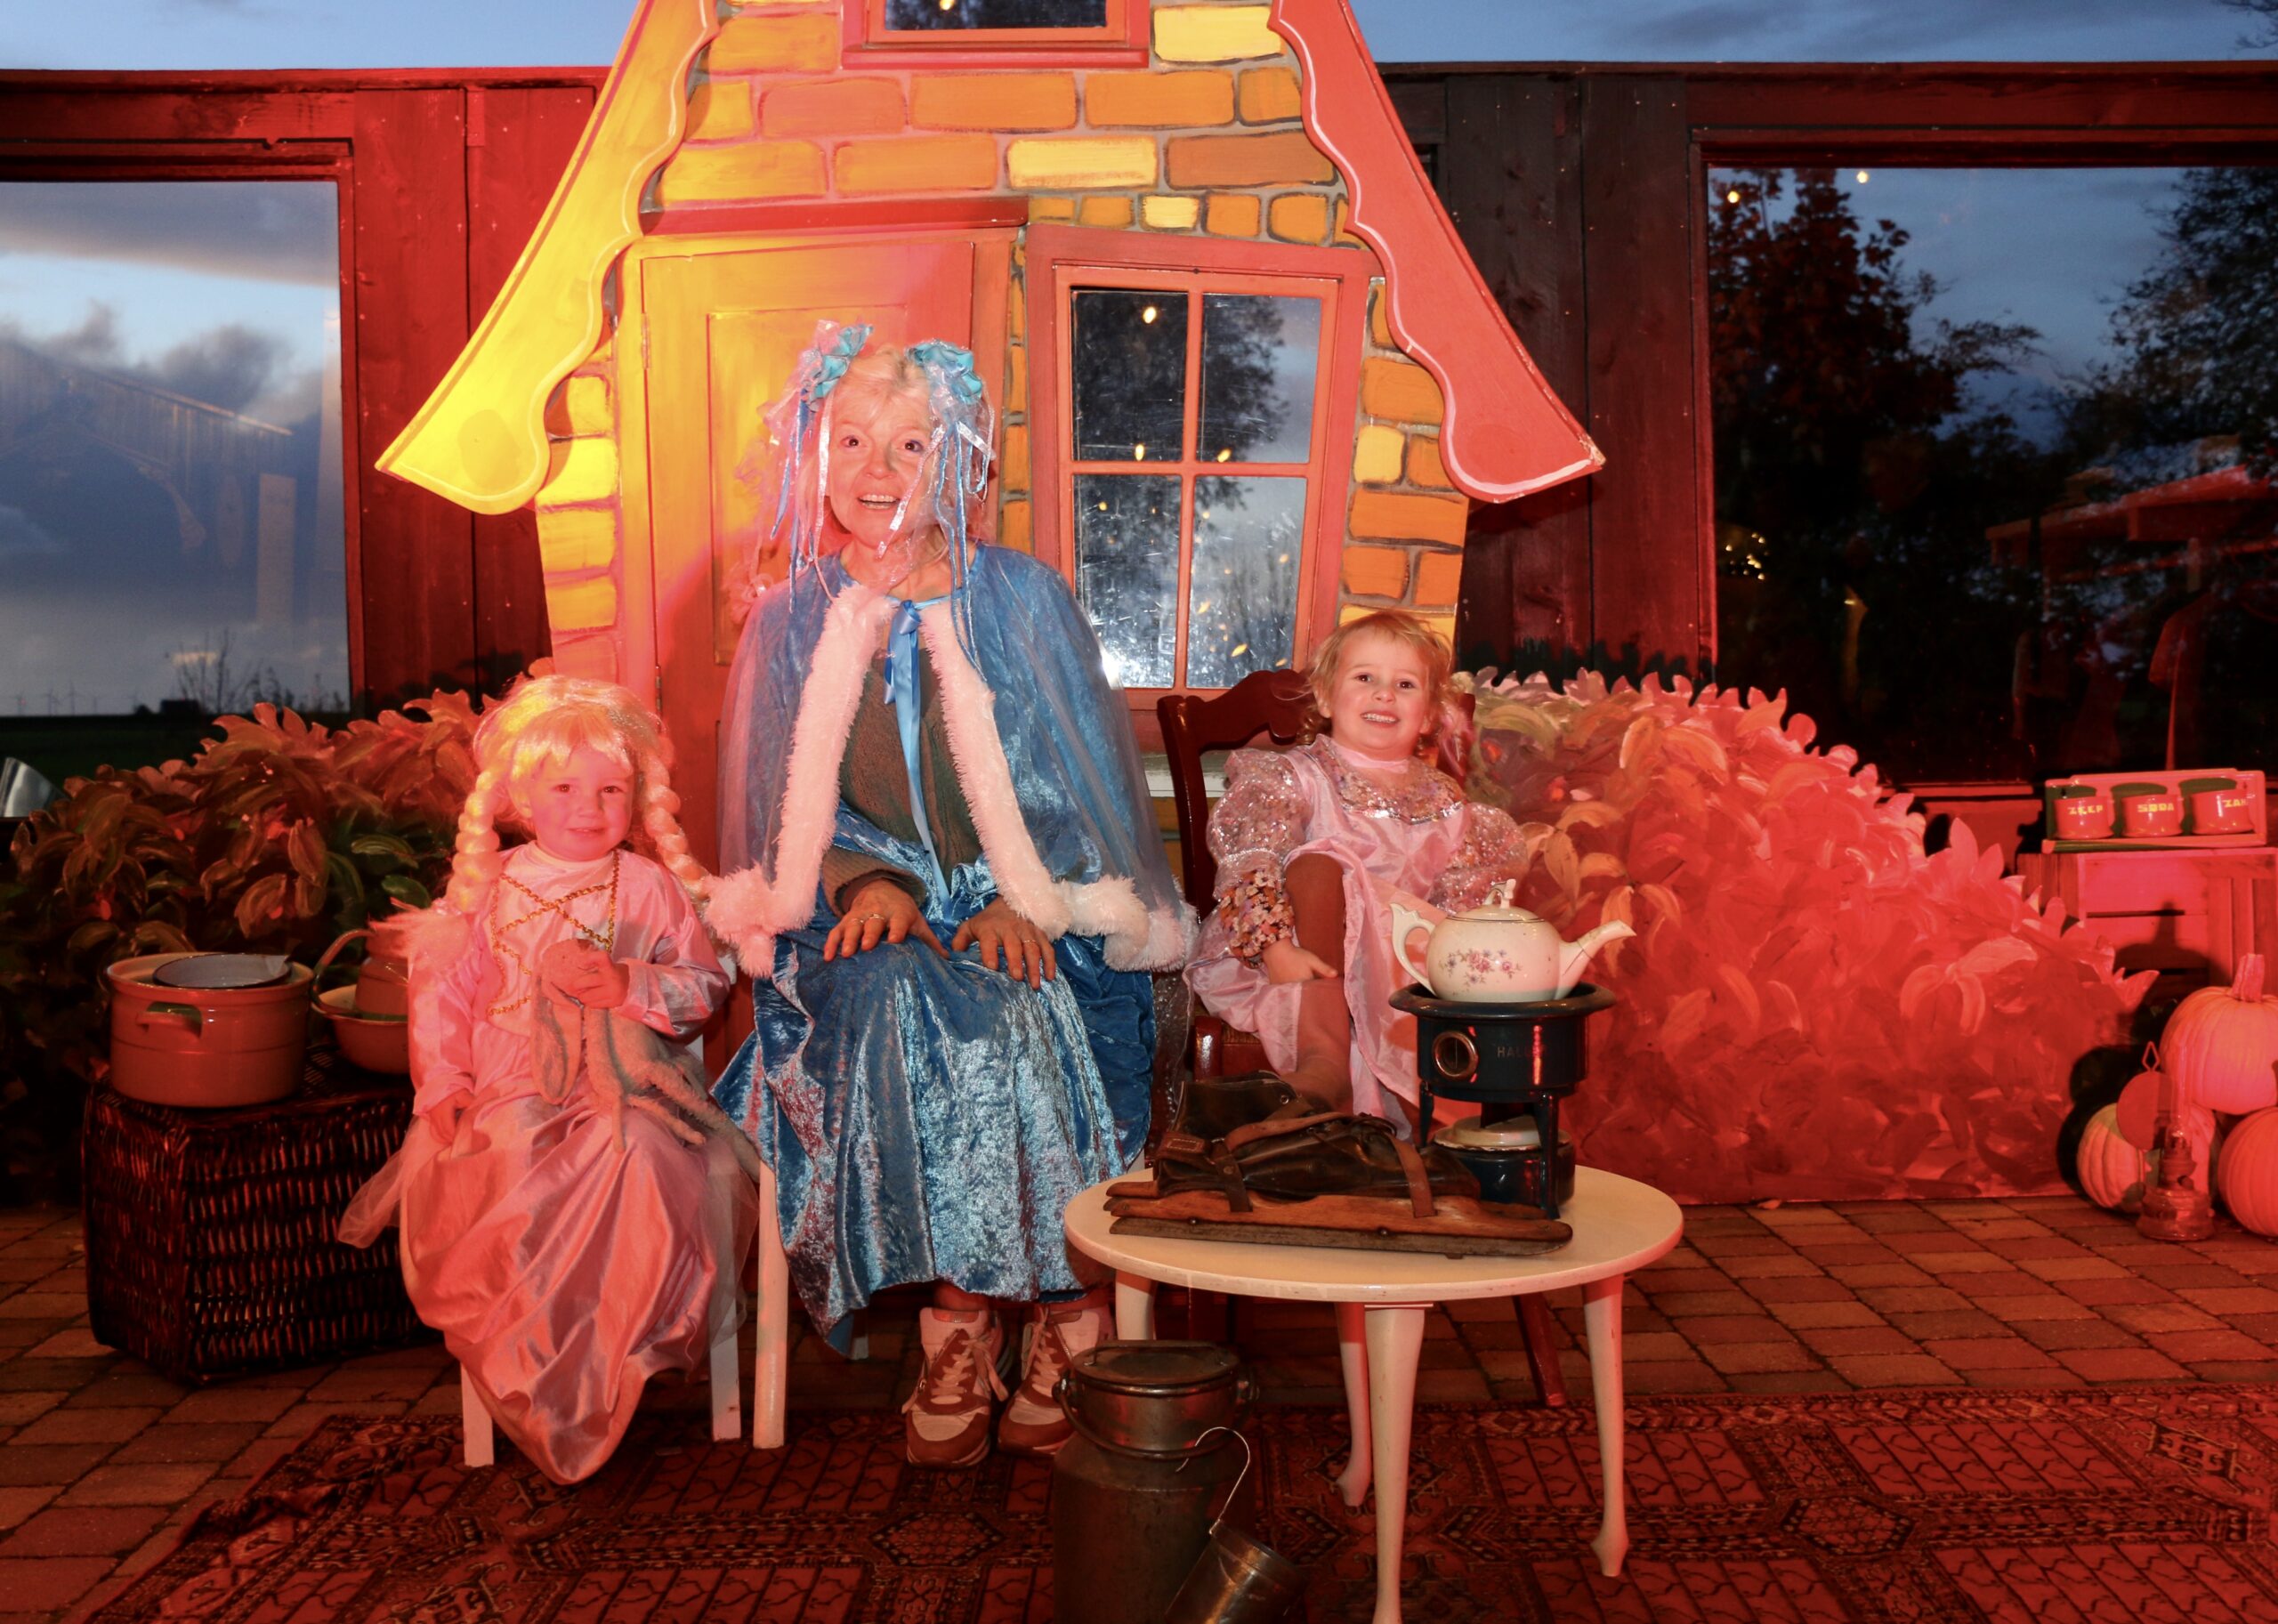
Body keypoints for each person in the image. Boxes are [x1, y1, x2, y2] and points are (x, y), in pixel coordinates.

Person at [706, 325, 1192, 1468]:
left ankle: (1034, 1312)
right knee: (892, 1001)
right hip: (856, 917)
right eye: (852, 443)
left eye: (910, 445)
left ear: (958, 461)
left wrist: (1033, 897)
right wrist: (862, 879)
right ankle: (989, 1321)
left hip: (1026, 903)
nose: (877, 470)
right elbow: (778, 804)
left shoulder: (1020, 599)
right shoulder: (787, 620)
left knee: (1013, 1002)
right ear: (816, 458)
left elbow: (1080, 779)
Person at [341, 675, 751, 1485]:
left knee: (639, 1156)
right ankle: (541, 1369)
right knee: (511, 1165)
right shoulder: (488, 888)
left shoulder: (648, 885)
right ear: (523, 796)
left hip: (623, 1082)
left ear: (636, 796)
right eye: (564, 788)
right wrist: (445, 1084)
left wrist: (630, 983)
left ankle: (617, 1352)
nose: (589, 808)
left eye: (610, 790)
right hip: (508, 1084)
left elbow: (703, 986)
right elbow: (440, 998)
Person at [1183, 610, 1531, 1129]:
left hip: (1400, 977)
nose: (1384, 694)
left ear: (1429, 715)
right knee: (1319, 861)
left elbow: (1458, 914)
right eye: (1365, 677)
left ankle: (1429, 1131)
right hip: (1297, 961)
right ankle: (1324, 1063)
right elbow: (1250, 862)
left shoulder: (1451, 807)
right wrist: (1274, 948)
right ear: (1325, 698)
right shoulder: (1293, 778)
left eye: (1405, 684)